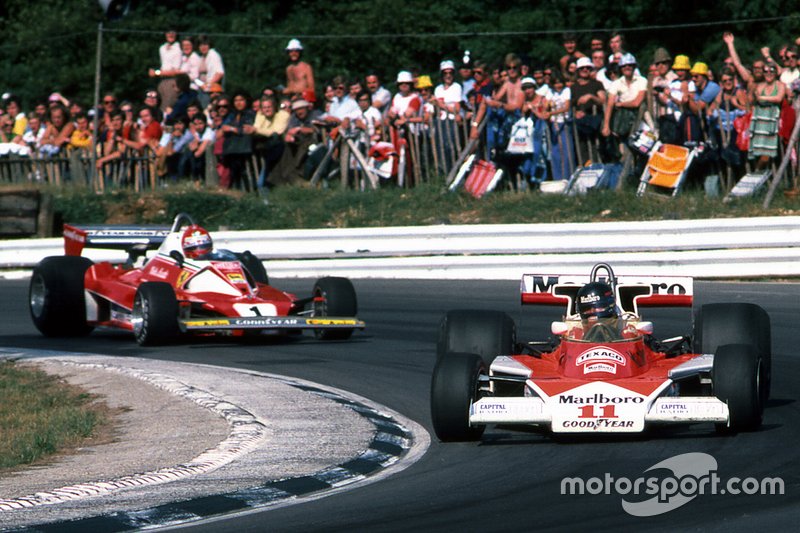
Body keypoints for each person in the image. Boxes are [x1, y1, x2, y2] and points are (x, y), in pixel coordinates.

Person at [148, 29, 182, 111]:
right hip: (162, 81)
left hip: (172, 81)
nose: (170, 35)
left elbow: (175, 71)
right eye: (168, 32)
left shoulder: (178, 49)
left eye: (173, 32)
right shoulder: (162, 48)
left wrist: (156, 73)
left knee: (167, 107)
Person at [196, 35, 225, 108]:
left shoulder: (213, 55)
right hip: (203, 90)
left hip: (211, 91)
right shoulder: (202, 57)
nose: (203, 47)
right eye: (201, 45)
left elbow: (219, 73)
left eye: (205, 44)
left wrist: (209, 86)